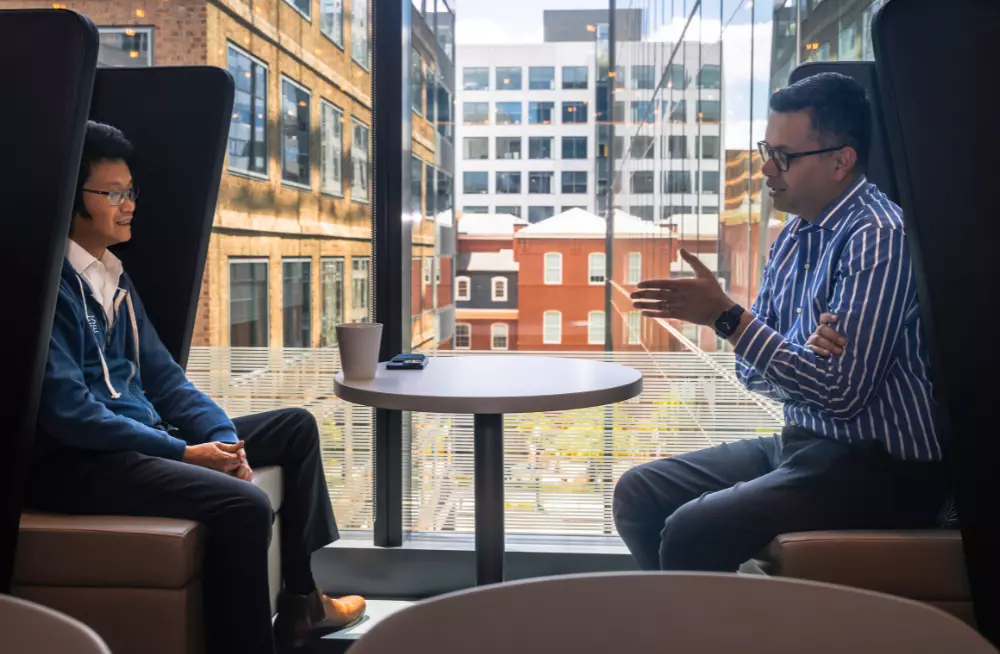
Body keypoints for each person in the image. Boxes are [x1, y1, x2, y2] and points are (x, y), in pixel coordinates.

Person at [25, 121, 365, 653]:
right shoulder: (49, 286)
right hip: (81, 463)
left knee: (296, 427)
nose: (129, 204)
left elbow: (167, 381)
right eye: (114, 193)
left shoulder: (114, 278)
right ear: (73, 197)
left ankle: (303, 603)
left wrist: (225, 444)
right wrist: (184, 451)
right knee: (245, 507)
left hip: (141, 441)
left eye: (130, 191)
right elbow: (70, 413)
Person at [616, 72, 949, 572]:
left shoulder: (879, 236)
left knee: (692, 529)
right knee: (639, 492)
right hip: (804, 442)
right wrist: (791, 351)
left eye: (784, 157)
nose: (767, 168)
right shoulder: (793, 236)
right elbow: (754, 374)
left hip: (881, 468)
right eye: (764, 150)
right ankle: (696, 624)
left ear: (841, 160)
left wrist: (729, 319)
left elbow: (842, 394)